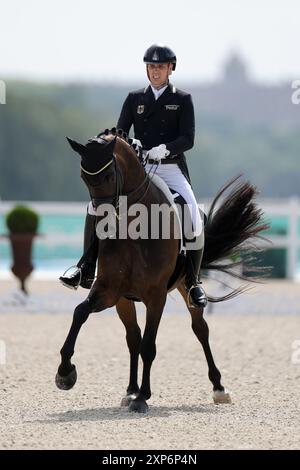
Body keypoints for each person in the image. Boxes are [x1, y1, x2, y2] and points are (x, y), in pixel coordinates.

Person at [60, 44, 207, 308]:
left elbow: (189, 138)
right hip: (139, 168)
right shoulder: (134, 98)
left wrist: (167, 149)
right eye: (151, 67)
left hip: (170, 167)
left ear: (170, 68)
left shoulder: (182, 99)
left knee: (193, 214)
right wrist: (132, 143)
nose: (155, 71)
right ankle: (84, 267)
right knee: (95, 207)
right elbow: (119, 133)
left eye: (160, 66)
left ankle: (194, 282)